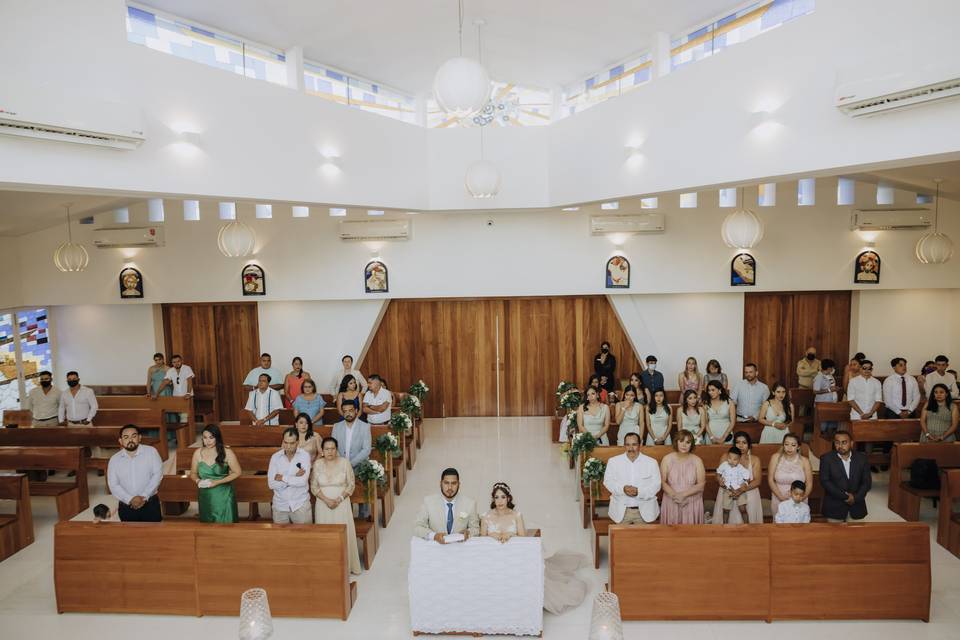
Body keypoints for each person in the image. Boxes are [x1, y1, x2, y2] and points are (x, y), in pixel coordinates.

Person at [311, 436, 362, 574]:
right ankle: (328, 567)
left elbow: (351, 484)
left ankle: (347, 566)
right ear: (322, 451)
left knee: (343, 534)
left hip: (342, 504)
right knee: (325, 535)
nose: (330, 452)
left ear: (336, 450)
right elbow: (314, 487)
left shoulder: (345, 463)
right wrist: (326, 500)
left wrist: (339, 499)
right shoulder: (317, 464)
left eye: (333, 449)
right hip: (323, 504)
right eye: (327, 449)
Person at [107, 425, 163, 522]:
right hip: (126, 505)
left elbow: (157, 475)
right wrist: (130, 499)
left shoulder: (151, 452)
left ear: (139, 438)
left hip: (150, 503)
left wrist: (144, 496)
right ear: (120, 441)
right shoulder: (114, 459)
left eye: (134, 436)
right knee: (130, 536)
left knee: (154, 535)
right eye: (126, 437)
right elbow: (113, 485)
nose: (130, 440)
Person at [602, 432, 661, 525]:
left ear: (640, 444)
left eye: (634, 444)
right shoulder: (613, 461)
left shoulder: (651, 463)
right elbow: (608, 482)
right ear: (624, 445)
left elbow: (656, 485)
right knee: (621, 539)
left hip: (645, 511)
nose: (631, 448)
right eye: (628, 445)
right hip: (620, 511)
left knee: (644, 540)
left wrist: (639, 492)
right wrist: (623, 489)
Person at [413, 467, 480, 542]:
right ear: (440, 483)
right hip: (436, 548)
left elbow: (475, 528)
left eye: (454, 483)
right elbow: (418, 527)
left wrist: (468, 533)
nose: (450, 487)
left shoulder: (470, 504)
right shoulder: (428, 502)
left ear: (459, 484)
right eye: (446, 483)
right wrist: (434, 536)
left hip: (460, 549)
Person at [189, 425, 240, 523]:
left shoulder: (227, 452)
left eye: (211, 438)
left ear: (217, 437)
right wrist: (198, 480)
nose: (207, 441)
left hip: (224, 495)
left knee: (226, 525)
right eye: (205, 437)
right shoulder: (197, 453)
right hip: (205, 495)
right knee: (207, 528)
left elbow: (237, 472)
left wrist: (217, 482)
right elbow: (193, 473)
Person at [712, 431, 763, 524]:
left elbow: (757, 481)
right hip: (727, 491)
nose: (741, 445)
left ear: (749, 445)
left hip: (748, 493)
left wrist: (741, 490)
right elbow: (718, 475)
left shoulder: (755, 459)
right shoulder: (725, 457)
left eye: (744, 443)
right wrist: (720, 480)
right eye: (738, 442)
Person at [819, 430, 871, 522]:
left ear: (851, 443)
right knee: (834, 535)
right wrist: (846, 497)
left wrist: (855, 498)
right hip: (834, 506)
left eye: (844, 442)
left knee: (857, 535)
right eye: (837, 442)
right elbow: (825, 482)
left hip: (857, 505)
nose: (840, 446)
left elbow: (867, 482)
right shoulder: (826, 459)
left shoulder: (862, 458)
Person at [659, 430, 705, 524]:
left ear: (691, 444)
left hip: (691, 501)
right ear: (676, 442)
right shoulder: (667, 459)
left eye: (688, 442)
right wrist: (676, 496)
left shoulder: (697, 460)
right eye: (681, 441)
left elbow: (701, 485)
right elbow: (662, 482)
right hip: (671, 500)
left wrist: (682, 495)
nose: (684, 445)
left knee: (691, 535)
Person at [268, 427, 312, 524]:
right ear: (282, 441)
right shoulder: (275, 457)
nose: (288, 446)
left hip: (300, 504)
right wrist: (294, 476)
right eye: (285, 442)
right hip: (280, 505)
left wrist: (282, 478)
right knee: (281, 538)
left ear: (297, 442)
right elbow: (271, 484)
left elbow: (302, 482)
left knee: (305, 537)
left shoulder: (304, 456)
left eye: (292, 443)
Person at [768, 433, 812, 515]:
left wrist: (800, 498)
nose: (789, 448)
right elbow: (770, 480)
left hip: (800, 498)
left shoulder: (804, 461)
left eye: (793, 445)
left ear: (798, 446)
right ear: (783, 445)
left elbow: (809, 483)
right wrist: (780, 497)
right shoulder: (775, 457)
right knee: (779, 524)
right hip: (779, 497)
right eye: (786, 444)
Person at [716, 447, 750, 524]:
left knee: (742, 509)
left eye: (735, 459)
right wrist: (719, 479)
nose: (731, 461)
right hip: (728, 490)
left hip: (739, 490)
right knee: (725, 509)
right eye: (729, 458)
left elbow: (747, 477)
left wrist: (744, 485)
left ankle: (747, 525)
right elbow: (718, 473)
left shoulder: (741, 468)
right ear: (727, 457)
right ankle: (725, 525)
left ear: (739, 459)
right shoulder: (724, 465)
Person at [333, 404, 371, 469]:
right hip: (340, 466)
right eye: (345, 411)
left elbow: (366, 450)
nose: (348, 413)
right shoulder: (336, 426)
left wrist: (350, 464)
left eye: (350, 410)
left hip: (359, 466)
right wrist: (342, 463)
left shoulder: (365, 426)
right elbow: (333, 446)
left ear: (356, 411)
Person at [812, 358, 840, 431]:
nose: (833, 369)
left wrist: (835, 389)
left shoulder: (830, 375)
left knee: (831, 423)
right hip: (823, 403)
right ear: (828, 368)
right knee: (823, 425)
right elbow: (815, 391)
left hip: (832, 402)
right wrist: (829, 390)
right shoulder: (819, 377)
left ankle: (830, 438)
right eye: (832, 367)